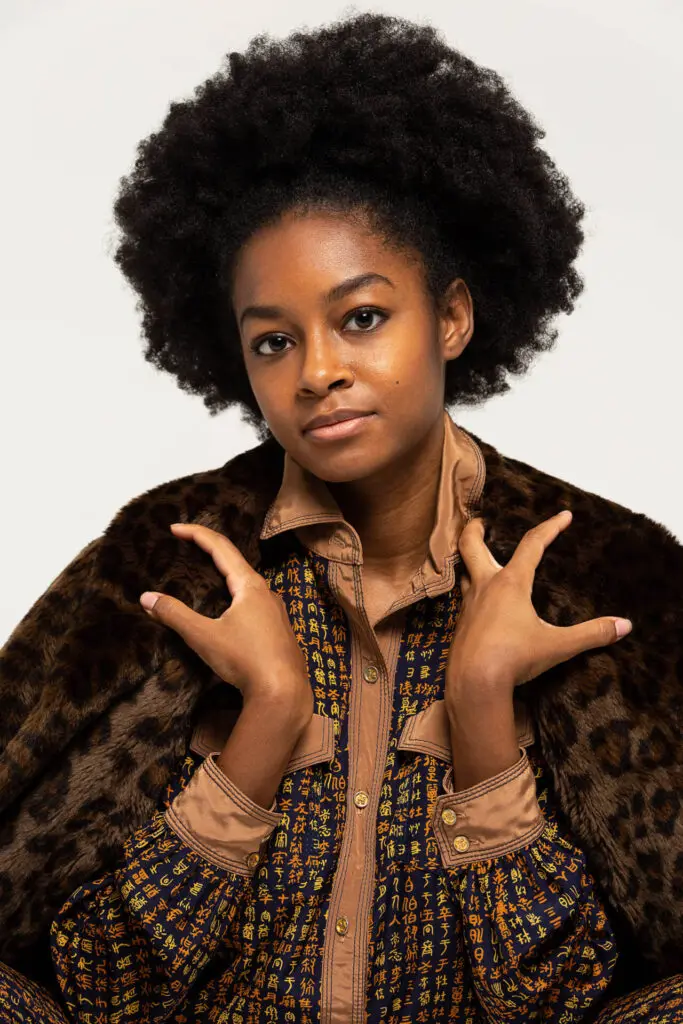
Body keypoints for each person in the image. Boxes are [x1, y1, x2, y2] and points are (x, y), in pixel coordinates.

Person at [1, 11, 682, 1023]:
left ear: (450, 315)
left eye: (361, 317)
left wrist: (486, 717)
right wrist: (263, 724)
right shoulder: (170, 556)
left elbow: (563, 1003)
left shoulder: (602, 570)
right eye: (273, 341)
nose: (317, 371)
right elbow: (97, 994)